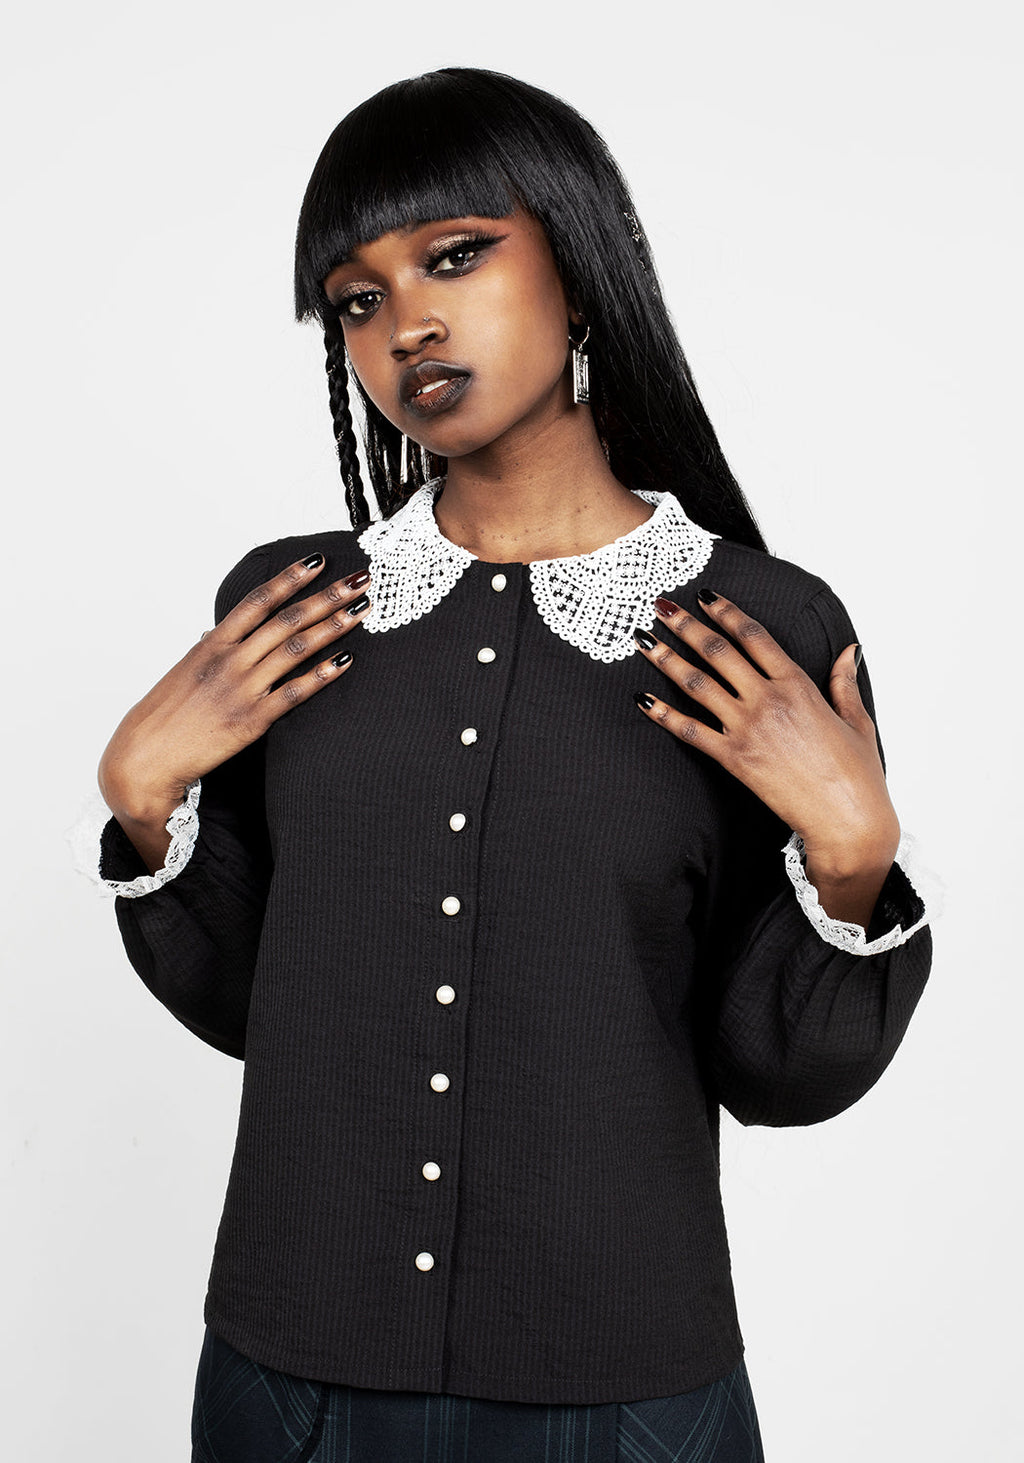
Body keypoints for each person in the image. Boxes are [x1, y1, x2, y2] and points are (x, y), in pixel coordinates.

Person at [93, 67, 933, 1463]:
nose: (405, 324)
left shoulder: (758, 629)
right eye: (355, 300)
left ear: (579, 264)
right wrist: (143, 805)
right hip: (290, 1385)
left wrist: (851, 864)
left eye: (455, 256)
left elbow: (778, 1074)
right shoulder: (293, 613)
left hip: (623, 1391)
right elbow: (261, 1009)